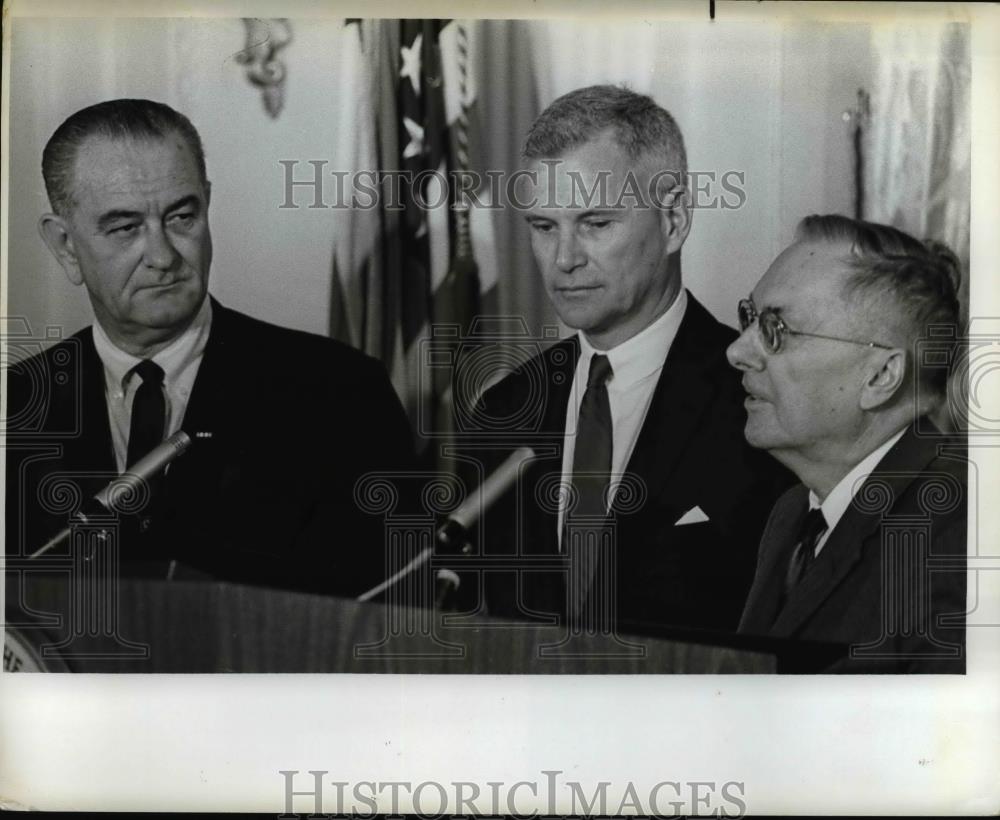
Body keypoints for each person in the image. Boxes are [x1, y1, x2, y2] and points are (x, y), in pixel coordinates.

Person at [5, 98, 414, 597]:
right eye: (125, 228)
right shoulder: (13, 409)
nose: (162, 256)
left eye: (181, 217)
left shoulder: (342, 393)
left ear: (207, 206)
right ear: (65, 246)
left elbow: (388, 616)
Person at [453, 85, 792, 633]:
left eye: (596, 224)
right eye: (544, 227)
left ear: (673, 221)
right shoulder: (504, 408)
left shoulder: (762, 397)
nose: (564, 259)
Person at [728, 214, 966, 673]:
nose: (736, 351)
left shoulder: (959, 531)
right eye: (749, 318)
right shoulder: (793, 513)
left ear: (880, 376)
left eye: (777, 328)